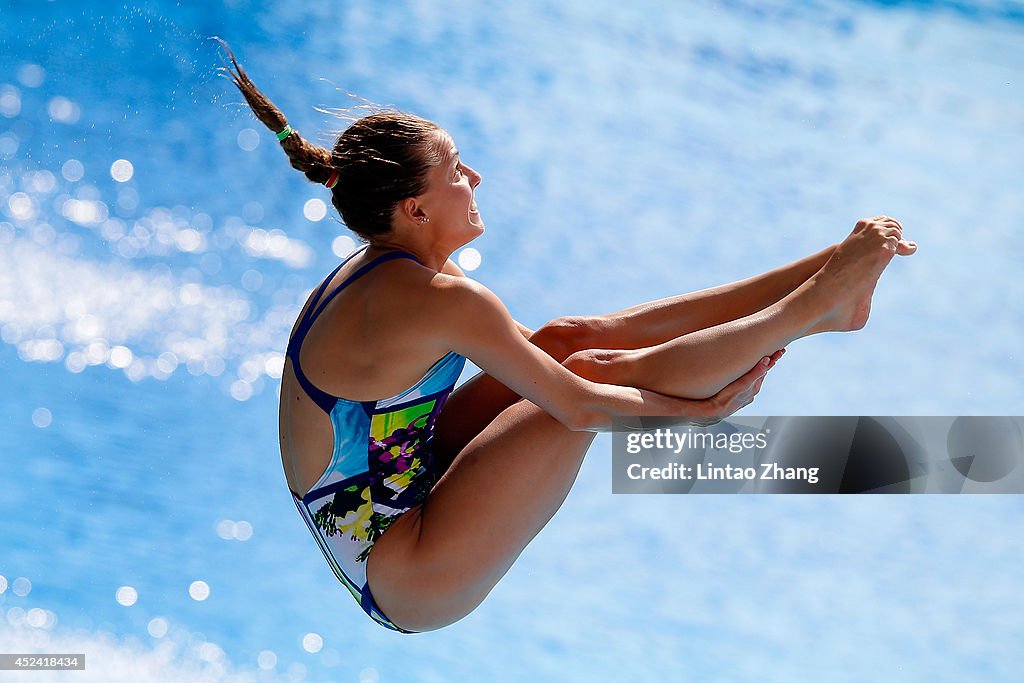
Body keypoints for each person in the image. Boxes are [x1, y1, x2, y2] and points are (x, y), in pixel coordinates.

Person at [221, 45, 916, 633]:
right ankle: (814, 311)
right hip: (404, 569)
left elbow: (580, 342)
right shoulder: (433, 300)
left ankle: (826, 285)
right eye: (457, 168)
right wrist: (692, 414)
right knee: (580, 382)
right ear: (417, 207)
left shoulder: (402, 267)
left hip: (401, 478)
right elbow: (581, 404)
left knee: (565, 339)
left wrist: (830, 255)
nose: (476, 179)